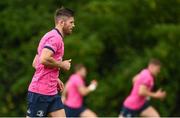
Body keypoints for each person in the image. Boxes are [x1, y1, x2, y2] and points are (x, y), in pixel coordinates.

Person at [27, 7, 75, 117]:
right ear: (62, 22)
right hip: (40, 93)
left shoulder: (50, 35)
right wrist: (62, 64)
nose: (73, 25)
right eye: (71, 22)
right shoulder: (55, 38)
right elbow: (43, 59)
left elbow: (36, 62)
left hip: (52, 92)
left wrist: (55, 78)